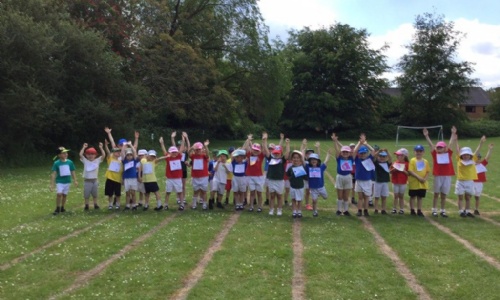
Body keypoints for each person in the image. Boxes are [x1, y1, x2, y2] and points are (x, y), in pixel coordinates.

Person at [423, 126, 457, 217]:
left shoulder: (448, 153)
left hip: (447, 176)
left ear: (444, 148)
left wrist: (453, 134)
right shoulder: (435, 154)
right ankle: (434, 209)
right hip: (438, 176)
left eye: (441, 147)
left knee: (444, 194)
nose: (439, 149)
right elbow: (431, 145)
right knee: (436, 193)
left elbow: (451, 143)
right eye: (438, 147)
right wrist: (427, 136)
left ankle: (442, 210)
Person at [454, 134, 483, 217]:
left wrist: (481, 142)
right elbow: (457, 150)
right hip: (460, 181)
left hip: (469, 181)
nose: (466, 156)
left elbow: (477, 151)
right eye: (464, 154)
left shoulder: (473, 159)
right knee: (460, 197)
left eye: (467, 154)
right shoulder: (459, 159)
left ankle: (467, 211)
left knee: (468, 197)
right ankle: (460, 211)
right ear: (461, 155)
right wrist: (456, 140)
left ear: (470, 155)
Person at [262, 133, 290, 216]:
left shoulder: (282, 160)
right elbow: (266, 150)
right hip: (271, 180)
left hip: (280, 181)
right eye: (275, 153)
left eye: (278, 153)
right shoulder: (270, 158)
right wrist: (265, 140)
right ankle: (271, 209)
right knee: (272, 195)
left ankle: (279, 209)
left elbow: (288, 152)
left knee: (279, 196)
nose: (276, 154)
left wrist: (287, 144)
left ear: (281, 153)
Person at [160, 136, 186, 210]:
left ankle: (181, 204)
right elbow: (164, 151)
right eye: (172, 152)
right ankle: (166, 204)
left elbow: (181, 149)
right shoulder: (168, 158)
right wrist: (162, 143)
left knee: (179, 191)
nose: (174, 153)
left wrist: (183, 141)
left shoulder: (179, 157)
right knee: (168, 192)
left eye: (175, 152)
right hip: (170, 178)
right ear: (170, 153)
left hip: (177, 178)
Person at [331, 133, 354, 216]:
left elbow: (352, 151)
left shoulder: (351, 158)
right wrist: (335, 142)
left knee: (346, 196)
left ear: (349, 153)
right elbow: (337, 150)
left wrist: (338, 141)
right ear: (341, 152)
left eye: (346, 152)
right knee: (340, 195)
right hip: (340, 177)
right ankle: (339, 210)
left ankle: (346, 210)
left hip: (348, 177)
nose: (345, 153)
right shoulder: (339, 158)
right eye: (343, 152)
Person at [50, 147, 78, 215]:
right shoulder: (56, 163)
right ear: (59, 155)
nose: (66, 154)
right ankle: (57, 208)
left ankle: (62, 207)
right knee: (59, 194)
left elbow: (72, 171)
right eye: (63, 153)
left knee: (65, 195)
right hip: (60, 181)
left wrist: (75, 180)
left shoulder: (70, 162)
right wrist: (52, 184)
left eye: (66, 153)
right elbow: (53, 174)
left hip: (67, 181)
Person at [352, 134, 375, 217]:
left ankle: (366, 210)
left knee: (366, 197)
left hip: (367, 180)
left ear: (366, 153)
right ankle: (359, 210)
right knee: (360, 197)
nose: (362, 155)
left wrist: (365, 144)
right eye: (361, 154)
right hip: (359, 180)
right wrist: (359, 143)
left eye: (364, 153)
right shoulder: (357, 159)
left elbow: (373, 151)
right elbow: (354, 151)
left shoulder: (369, 159)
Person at [305, 147, 331, 217]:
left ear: (318, 161)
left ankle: (319, 194)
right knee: (314, 201)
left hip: (321, 187)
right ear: (310, 161)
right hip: (313, 188)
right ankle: (315, 211)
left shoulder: (320, 168)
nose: (314, 161)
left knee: (325, 197)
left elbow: (326, 162)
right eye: (312, 160)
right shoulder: (308, 168)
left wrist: (328, 154)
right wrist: (303, 148)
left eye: (315, 160)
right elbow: (302, 160)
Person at [243, 134, 266, 212]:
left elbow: (265, 150)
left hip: (259, 176)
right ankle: (251, 206)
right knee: (252, 192)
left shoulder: (261, 156)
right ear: (251, 149)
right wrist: (248, 140)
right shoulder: (249, 154)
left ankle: (260, 206)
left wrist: (264, 141)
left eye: (257, 150)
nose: (255, 151)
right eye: (254, 149)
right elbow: (245, 148)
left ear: (259, 151)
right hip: (250, 176)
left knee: (259, 192)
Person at [79, 143, 105, 211]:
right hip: (87, 180)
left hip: (95, 180)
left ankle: (95, 204)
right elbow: (80, 155)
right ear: (86, 155)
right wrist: (83, 147)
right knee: (86, 194)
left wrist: (101, 148)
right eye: (89, 154)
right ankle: (86, 205)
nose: (90, 156)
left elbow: (104, 155)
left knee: (95, 194)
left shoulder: (97, 161)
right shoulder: (85, 161)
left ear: (95, 155)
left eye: (92, 154)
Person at [407, 144, 430, 217]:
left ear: (423, 152)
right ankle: (412, 210)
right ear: (414, 152)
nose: (418, 153)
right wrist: (419, 178)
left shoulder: (425, 161)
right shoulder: (412, 160)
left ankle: (419, 210)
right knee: (413, 196)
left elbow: (427, 171)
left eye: (420, 151)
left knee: (420, 197)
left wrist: (425, 178)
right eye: (417, 151)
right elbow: (410, 171)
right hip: (414, 182)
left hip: (422, 183)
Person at [473, 141, 493, 215]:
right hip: (472, 182)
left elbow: (487, 157)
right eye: (477, 158)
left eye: (479, 158)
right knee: (468, 196)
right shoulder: (471, 165)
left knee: (477, 196)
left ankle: (476, 209)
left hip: (479, 183)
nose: (478, 159)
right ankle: (466, 209)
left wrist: (490, 150)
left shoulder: (482, 164)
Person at [189, 140, 210, 209]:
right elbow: (189, 153)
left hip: (203, 176)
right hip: (195, 176)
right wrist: (192, 147)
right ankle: (194, 204)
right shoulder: (193, 156)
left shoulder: (204, 156)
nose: (198, 151)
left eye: (199, 149)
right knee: (195, 191)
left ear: (201, 149)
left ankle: (204, 204)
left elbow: (207, 154)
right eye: (196, 149)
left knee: (204, 191)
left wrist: (206, 146)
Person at [287, 150, 308, 218]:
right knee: (293, 199)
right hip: (293, 186)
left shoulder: (302, 167)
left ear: (300, 159)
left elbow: (305, 177)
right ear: (292, 159)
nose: (296, 159)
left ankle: (299, 211)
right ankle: (294, 211)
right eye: (294, 158)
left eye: (297, 158)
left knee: (299, 200)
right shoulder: (290, 168)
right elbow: (288, 174)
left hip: (300, 186)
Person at [104, 140, 123, 210]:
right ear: (113, 153)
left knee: (118, 193)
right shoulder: (110, 158)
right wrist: (106, 145)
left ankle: (118, 204)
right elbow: (108, 152)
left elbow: (122, 171)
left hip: (118, 179)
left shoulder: (121, 161)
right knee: (110, 193)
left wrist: (122, 179)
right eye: (116, 152)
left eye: (119, 152)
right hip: (110, 178)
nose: (118, 153)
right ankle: (110, 204)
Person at [373, 148, 392, 214]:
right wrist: (379, 151)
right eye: (380, 156)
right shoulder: (376, 163)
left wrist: (387, 151)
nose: (382, 158)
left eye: (384, 156)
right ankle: (376, 209)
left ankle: (383, 209)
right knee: (377, 196)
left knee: (384, 196)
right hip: (378, 181)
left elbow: (390, 158)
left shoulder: (387, 163)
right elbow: (374, 156)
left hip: (384, 181)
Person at [390, 148, 409, 214]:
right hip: (395, 182)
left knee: (401, 196)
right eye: (397, 155)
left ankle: (401, 209)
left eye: (399, 155)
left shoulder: (407, 163)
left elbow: (408, 174)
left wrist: (403, 170)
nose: (397, 156)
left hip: (403, 182)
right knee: (395, 196)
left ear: (404, 156)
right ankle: (394, 208)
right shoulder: (395, 163)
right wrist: (394, 170)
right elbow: (390, 172)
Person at [121, 143, 139, 211]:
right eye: (128, 155)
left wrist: (131, 145)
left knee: (133, 193)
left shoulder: (134, 160)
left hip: (133, 178)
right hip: (126, 178)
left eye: (130, 155)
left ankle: (134, 205)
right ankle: (127, 205)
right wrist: (124, 146)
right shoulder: (124, 161)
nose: (129, 156)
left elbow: (134, 151)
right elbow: (122, 152)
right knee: (127, 193)